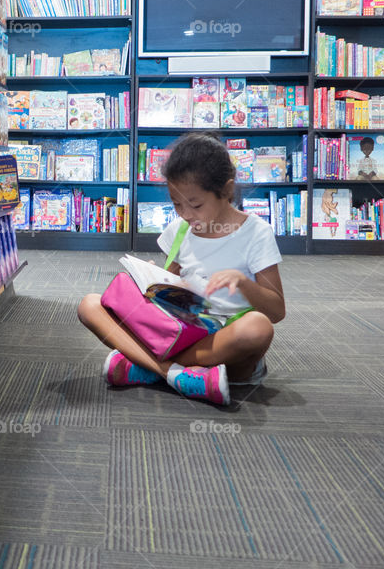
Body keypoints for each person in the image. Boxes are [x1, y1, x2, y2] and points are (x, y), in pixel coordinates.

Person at [77, 133, 285, 406]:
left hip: (225, 347)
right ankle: (173, 373)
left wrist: (243, 283)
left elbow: (276, 311)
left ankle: (147, 367)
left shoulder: (256, 232)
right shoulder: (180, 230)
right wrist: (152, 280)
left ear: (226, 190)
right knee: (89, 305)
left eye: (196, 204)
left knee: (258, 328)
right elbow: (169, 290)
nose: (186, 214)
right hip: (181, 330)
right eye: (177, 204)